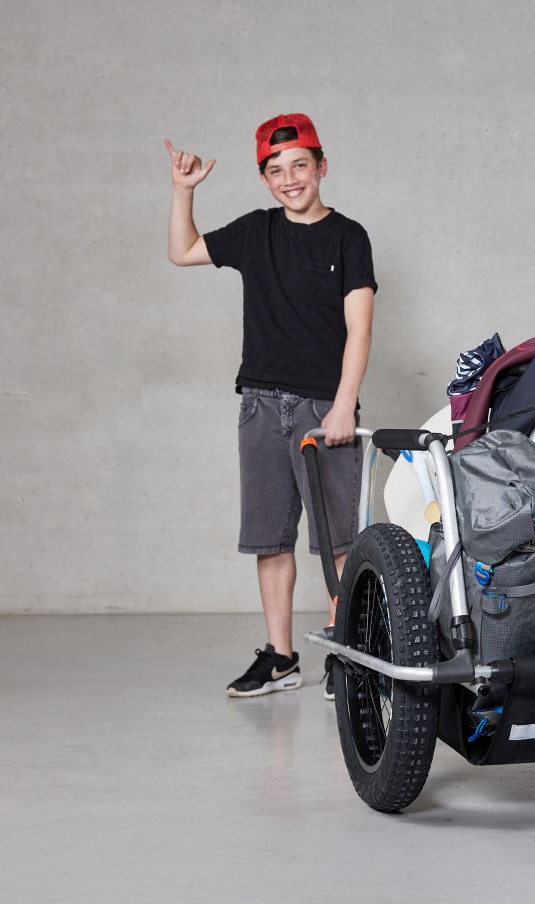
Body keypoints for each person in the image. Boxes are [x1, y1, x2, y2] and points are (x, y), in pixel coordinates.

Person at [164, 114, 376, 699]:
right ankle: (281, 658)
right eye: (276, 171)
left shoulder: (348, 237)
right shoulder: (256, 232)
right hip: (259, 402)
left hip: (322, 406)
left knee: (339, 540)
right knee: (270, 538)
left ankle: (345, 650)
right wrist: (184, 191)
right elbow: (181, 251)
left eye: (299, 166)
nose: (289, 179)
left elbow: (359, 331)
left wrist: (343, 406)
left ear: (321, 167)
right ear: (265, 180)